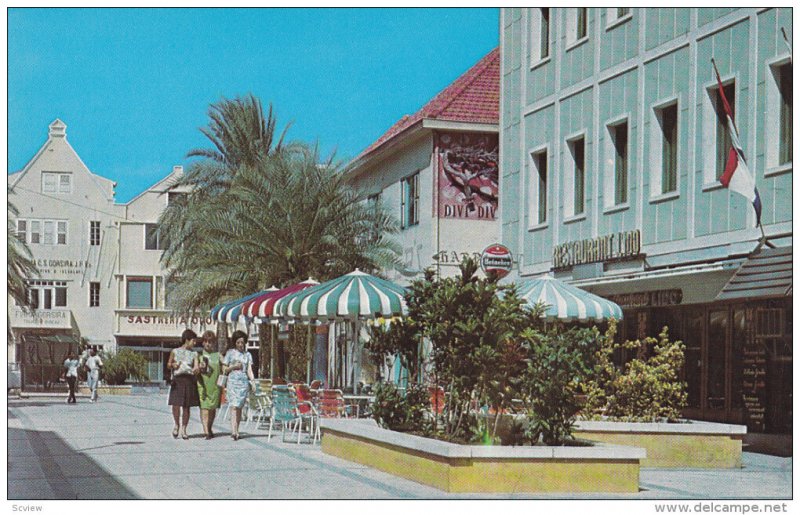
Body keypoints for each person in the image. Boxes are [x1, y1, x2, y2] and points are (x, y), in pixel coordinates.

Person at [168, 329, 200, 440]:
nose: (194, 343)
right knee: (175, 404)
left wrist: (197, 368)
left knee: (187, 407)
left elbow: (196, 367)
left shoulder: (194, 353)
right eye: (193, 341)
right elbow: (168, 364)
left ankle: (184, 429)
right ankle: (176, 424)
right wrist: (173, 365)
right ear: (187, 340)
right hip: (178, 379)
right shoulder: (175, 351)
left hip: (189, 379)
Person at [223, 330, 254, 441]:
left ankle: (237, 429)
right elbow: (224, 369)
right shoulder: (230, 353)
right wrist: (234, 367)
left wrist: (253, 381)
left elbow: (249, 369)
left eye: (242, 342)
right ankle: (234, 431)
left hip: (243, 383)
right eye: (238, 342)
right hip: (232, 382)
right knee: (233, 406)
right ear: (235, 343)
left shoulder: (247, 355)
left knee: (239, 407)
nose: (241, 345)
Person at [196, 330, 222, 439]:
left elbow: (224, 367)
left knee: (212, 409)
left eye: (210, 342)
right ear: (203, 342)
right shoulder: (199, 356)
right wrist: (198, 369)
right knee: (204, 407)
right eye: (206, 341)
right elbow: (194, 371)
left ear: (214, 343)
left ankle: (209, 427)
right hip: (203, 385)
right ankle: (206, 431)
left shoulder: (218, 355)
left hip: (215, 386)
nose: (208, 344)